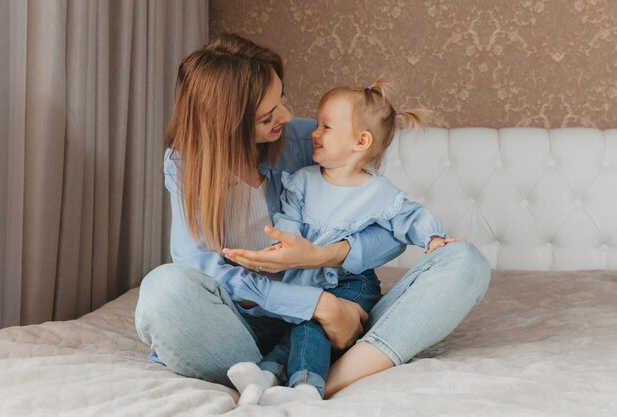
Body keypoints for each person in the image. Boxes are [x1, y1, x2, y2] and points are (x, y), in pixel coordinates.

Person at [134, 33, 490, 406]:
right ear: (227, 124)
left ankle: (328, 378)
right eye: (268, 116)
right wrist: (317, 304)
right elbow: (204, 269)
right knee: (163, 289)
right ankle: (287, 365)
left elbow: (387, 227)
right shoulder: (185, 165)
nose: (287, 117)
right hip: (249, 326)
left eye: (282, 99)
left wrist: (320, 258)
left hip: (344, 316)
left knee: (465, 262)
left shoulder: (308, 140)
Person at [227, 79, 461, 405]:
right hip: (307, 275)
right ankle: (264, 377)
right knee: (295, 325)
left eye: (326, 127)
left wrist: (433, 238)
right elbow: (289, 220)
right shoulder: (304, 180)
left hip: (351, 283)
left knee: (312, 324)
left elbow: (410, 219)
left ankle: (306, 389)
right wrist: (281, 246)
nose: (314, 133)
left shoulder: (378, 192)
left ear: (360, 140)